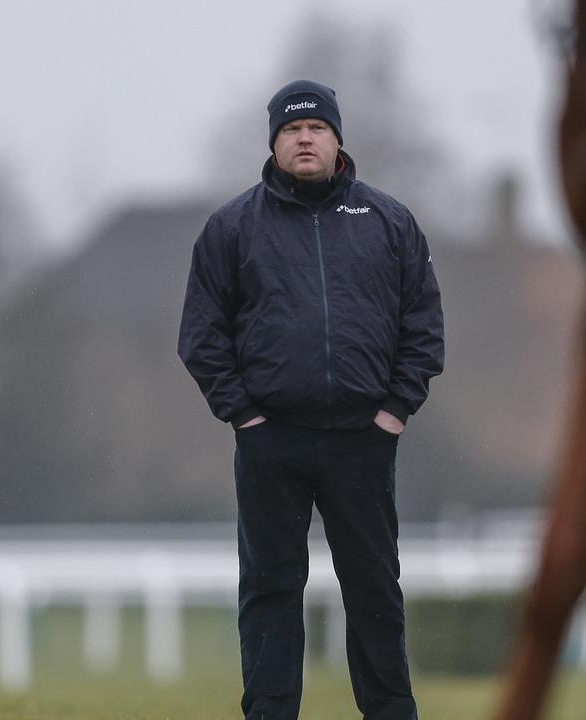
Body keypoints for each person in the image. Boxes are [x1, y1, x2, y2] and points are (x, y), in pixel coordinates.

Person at [178, 79, 443, 720]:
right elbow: (200, 335)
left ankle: (390, 710)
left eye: (317, 128)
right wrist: (245, 415)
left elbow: (423, 326)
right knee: (271, 588)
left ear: (336, 140)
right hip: (272, 439)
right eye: (292, 129)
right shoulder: (232, 228)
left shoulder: (389, 221)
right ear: (273, 142)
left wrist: (393, 412)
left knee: (374, 587)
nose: (305, 138)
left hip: (363, 438)